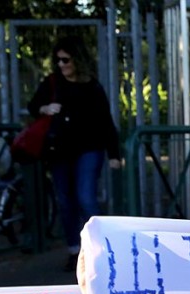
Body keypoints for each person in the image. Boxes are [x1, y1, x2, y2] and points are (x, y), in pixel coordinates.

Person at [26, 36, 121, 273]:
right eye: (57, 60)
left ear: (77, 59)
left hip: (89, 149)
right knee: (65, 201)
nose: (61, 64)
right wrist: (45, 108)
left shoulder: (92, 87)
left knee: (86, 197)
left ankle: (98, 250)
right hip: (59, 152)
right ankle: (73, 250)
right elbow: (32, 106)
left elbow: (105, 121)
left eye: (65, 60)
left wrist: (114, 154)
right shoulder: (52, 83)